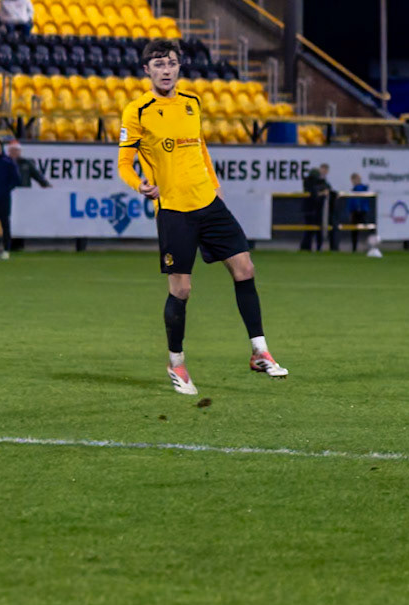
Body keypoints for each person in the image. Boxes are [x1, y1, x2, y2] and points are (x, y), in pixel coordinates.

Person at [118, 38, 288, 394]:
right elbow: (123, 162)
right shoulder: (137, 110)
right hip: (174, 209)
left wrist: (215, 183)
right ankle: (176, 364)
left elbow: (201, 146)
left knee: (246, 269)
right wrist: (139, 185)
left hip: (207, 202)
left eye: (171, 64)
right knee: (181, 289)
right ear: (146, 70)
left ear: (180, 68)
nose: (166, 70)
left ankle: (260, 351)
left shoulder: (193, 102)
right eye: (158, 65)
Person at [299, 163, 336, 252]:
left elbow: (329, 190)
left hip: (317, 209)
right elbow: (314, 193)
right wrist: (322, 193)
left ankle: (313, 247)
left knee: (315, 230)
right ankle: (307, 247)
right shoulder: (310, 182)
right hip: (313, 208)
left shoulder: (322, 182)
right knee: (310, 229)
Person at [345, 173, 372, 252]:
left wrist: (357, 209)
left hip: (359, 211)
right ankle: (358, 247)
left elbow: (357, 201)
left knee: (359, 230)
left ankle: (359, 247)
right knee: (357, 230)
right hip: (357, 211)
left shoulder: (359, 189)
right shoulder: (355, 189)